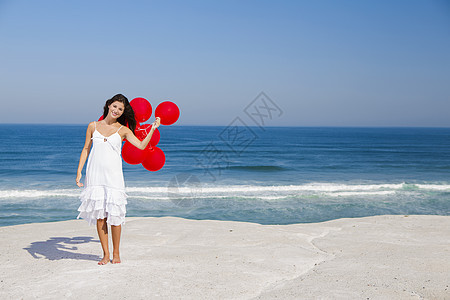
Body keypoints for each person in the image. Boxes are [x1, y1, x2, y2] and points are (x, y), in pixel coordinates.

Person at [75, 94, 160, 265]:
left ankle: (116, 253)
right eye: (114, 106)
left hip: (114, 178)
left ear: (122, 113)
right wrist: (78, 172)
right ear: (108, 106)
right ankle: (105, 254)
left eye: (120, 109)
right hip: (95, 176)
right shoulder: (93, 126)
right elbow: (86, 149)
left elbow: (141, 146)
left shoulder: (123, 130)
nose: (116, 110)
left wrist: (152, 128)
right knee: (100, 216)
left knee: (115, 216)